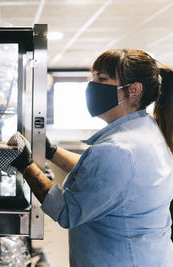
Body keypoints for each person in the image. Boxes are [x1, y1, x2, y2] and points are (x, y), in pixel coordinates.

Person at [10, 49, 173, 266]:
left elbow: (66, 211)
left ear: (133, 90)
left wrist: (25, 164)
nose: (93, 84)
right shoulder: (145, 130)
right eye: (93, 76)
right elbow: (100, 175)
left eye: (102, 79)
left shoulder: (119, 149)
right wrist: (51, 151)